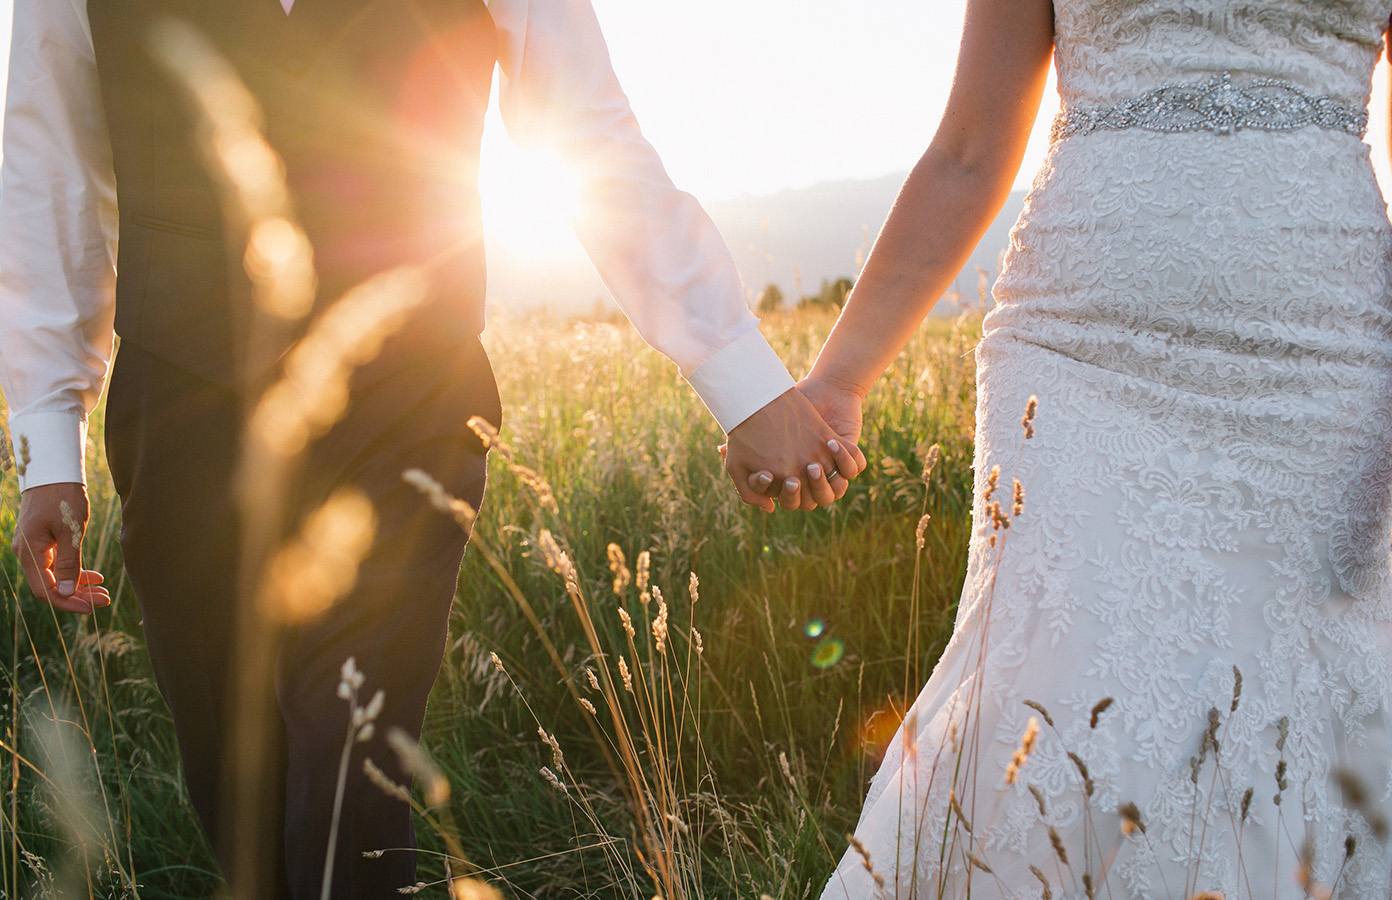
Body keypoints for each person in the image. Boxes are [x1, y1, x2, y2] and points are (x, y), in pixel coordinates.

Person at [0, 0, 863, 897]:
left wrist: (742, 381)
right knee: (238, 791)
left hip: (407, 401)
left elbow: (588, 132)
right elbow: (47, 160)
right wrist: (47, 439)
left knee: (353, 776)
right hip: (184, 411)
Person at [740, 0, 1392, 896]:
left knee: (1294, 703)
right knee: (1060, 692)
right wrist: (839, 380)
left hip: (1326, 362)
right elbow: (970, 149)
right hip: (1076, 351)